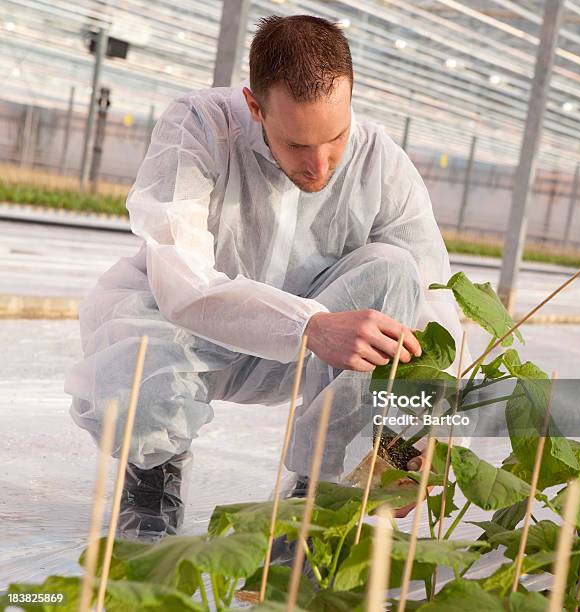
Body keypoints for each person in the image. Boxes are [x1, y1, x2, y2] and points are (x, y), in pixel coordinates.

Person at [65, 14, 465, 541]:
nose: (320, 166)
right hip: (195, 334)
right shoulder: (201, 125)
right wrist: (308, 325)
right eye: (297, 145)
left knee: (397, 270)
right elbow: (181, 282)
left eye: (335, 138)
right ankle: (154, 473)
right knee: (133, 348)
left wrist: (421, 430)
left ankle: (317, 493)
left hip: (321, 357)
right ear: (255, 106)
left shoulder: (381, 164)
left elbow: (434, 303)